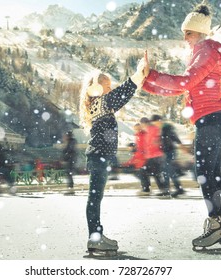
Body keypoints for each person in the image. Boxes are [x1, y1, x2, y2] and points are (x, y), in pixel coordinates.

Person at [142, 3, 221, 249]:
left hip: (211, 120)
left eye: (187, 32)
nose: (185, 37)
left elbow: (184, 82)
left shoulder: (206, 50)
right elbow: (182, 87)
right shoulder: (203, 52)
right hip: (210, 120)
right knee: (211, 175)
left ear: (199, 31)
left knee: (205, 175)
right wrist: (146, 82)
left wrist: (153, 75)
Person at [79, 55, 147, 254]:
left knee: (95, 198)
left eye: (110, 86)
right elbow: (122, 93)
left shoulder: (99, 104)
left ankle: (96, 236)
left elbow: (120, 94)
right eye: (106, 86)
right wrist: (138, 75)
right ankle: (95, 238)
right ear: (97, 88)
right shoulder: (101, 102)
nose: (110, 89)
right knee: (94, 198)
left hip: (99, 156)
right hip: (98, 156)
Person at [137, 115, 170, 197]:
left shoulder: (153, 129)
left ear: (144, 123)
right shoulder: (148, 130)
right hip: (152, 156)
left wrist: (155, 143)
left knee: (146, 171)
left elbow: (156, 141)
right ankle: (163, 190)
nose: (142, 126)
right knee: (154, 173)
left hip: (155, 155)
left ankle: (148, 189)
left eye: (142, 124)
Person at [161, 120, 185, 197]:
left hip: (169, 153)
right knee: (167, 171)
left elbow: (176, 140)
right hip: (169, 152)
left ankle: (177, 189)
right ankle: (169, 189)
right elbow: (177, 140)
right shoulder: (167, 131)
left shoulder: (166, 131)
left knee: (169, 171)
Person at [62, 130, 77, 195]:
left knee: (69, 174)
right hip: (70, 160)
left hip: (70, 160)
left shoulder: (71, 142)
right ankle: (70, 188)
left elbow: (69, 151)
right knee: (68, 174)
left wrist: (65, 158)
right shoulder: (71, 142)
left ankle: (70, 189)